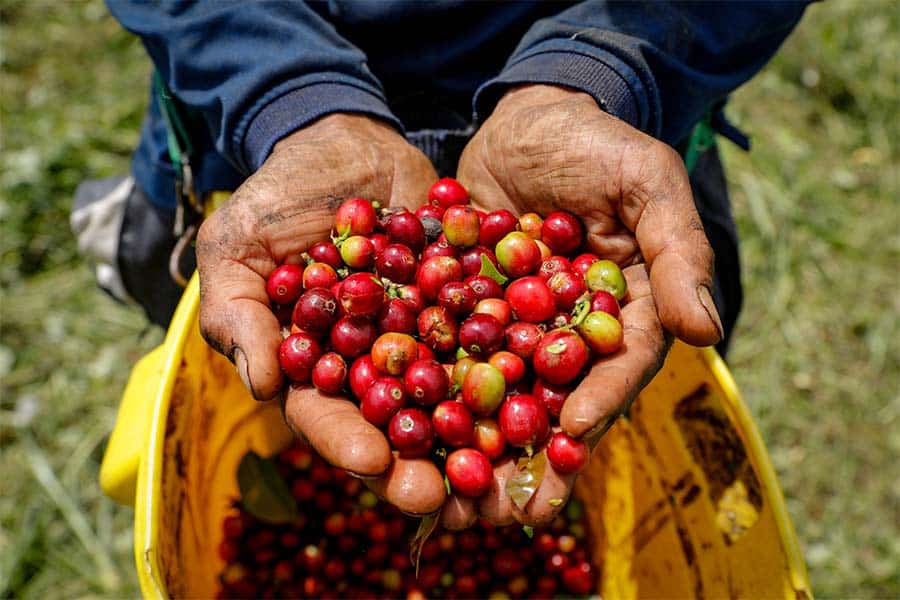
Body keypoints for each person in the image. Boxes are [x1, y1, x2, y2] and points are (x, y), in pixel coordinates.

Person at [77, 1, 809, 528]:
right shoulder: (429, 311)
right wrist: (285, 93)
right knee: (237, 343)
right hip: (255, 118)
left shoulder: (457, 312)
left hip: (609, 117)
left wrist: (604, 67)